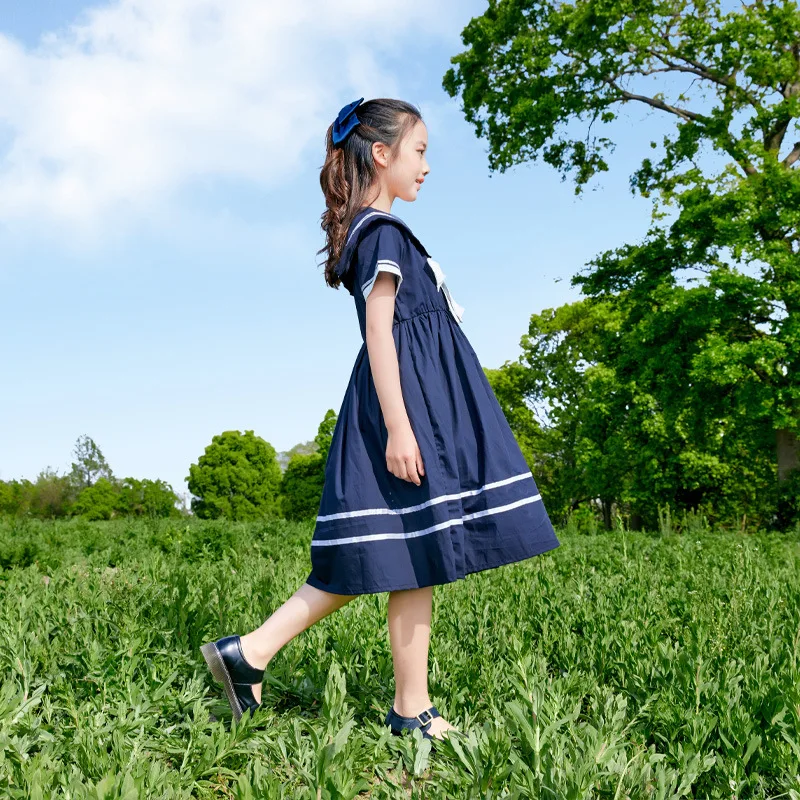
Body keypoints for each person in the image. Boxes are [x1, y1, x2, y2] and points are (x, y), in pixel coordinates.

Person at [200, 97, 561, 743]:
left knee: (408, 556)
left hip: (413, 403)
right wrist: (401, 427)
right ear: (384, 154)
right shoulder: (383, 233)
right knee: (396, 556)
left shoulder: (377, 232)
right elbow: (380, 332)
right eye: (420, 152)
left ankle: (271, 662)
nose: (427, 167)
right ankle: (382, 701)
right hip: (404, 408)